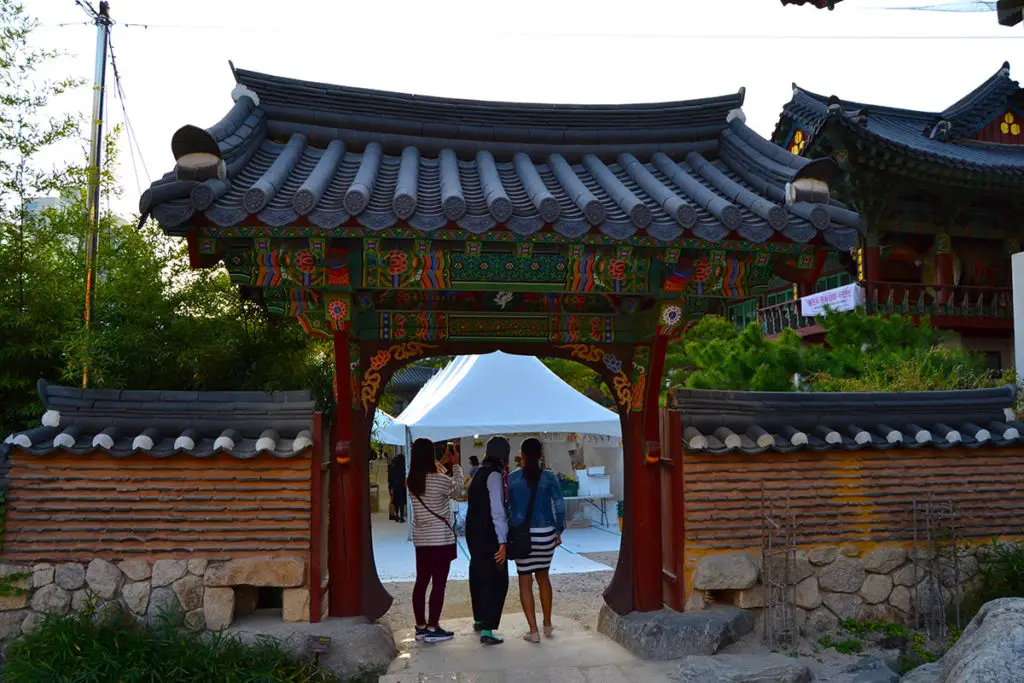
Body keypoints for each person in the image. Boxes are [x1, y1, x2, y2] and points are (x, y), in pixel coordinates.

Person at [508, 437, 565, 644]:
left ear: (521, 455)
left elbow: (508, 507)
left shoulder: (512, 478)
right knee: (543, 577)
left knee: (525, 579)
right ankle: (547, 624)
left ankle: (533, 631)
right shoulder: (549, 477)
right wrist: (558, 530)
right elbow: (559, 505)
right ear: (540, 456)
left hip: (523, 536)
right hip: (546, 534)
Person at [407, 438, 463, 643]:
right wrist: (455, 464)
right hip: (440, 539)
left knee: (421, 581)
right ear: (431, 455)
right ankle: (433, 627)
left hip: (421, 539)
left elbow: (430, 473)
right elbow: (458, 490)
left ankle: (421, 626)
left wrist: (442, 461)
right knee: (438, 584)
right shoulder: (440, 480)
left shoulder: (411, 480)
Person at [465, 436, 510, 646]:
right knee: (496, 580)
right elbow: (498, 510)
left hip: (474, 533)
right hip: (489, 534)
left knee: (478, 574)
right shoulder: (493, 475)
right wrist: (502, 540)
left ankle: (479, 619)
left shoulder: (479, 472)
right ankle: (488, 630)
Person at [388, 454, 407, 523]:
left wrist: (391, 487)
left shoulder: (392, 466)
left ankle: (396, 515)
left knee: (395, 501)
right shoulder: (403, 467)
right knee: (401, 502)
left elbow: (390, 478)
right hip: (401, 486)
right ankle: (401, 516)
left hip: (394, 486)